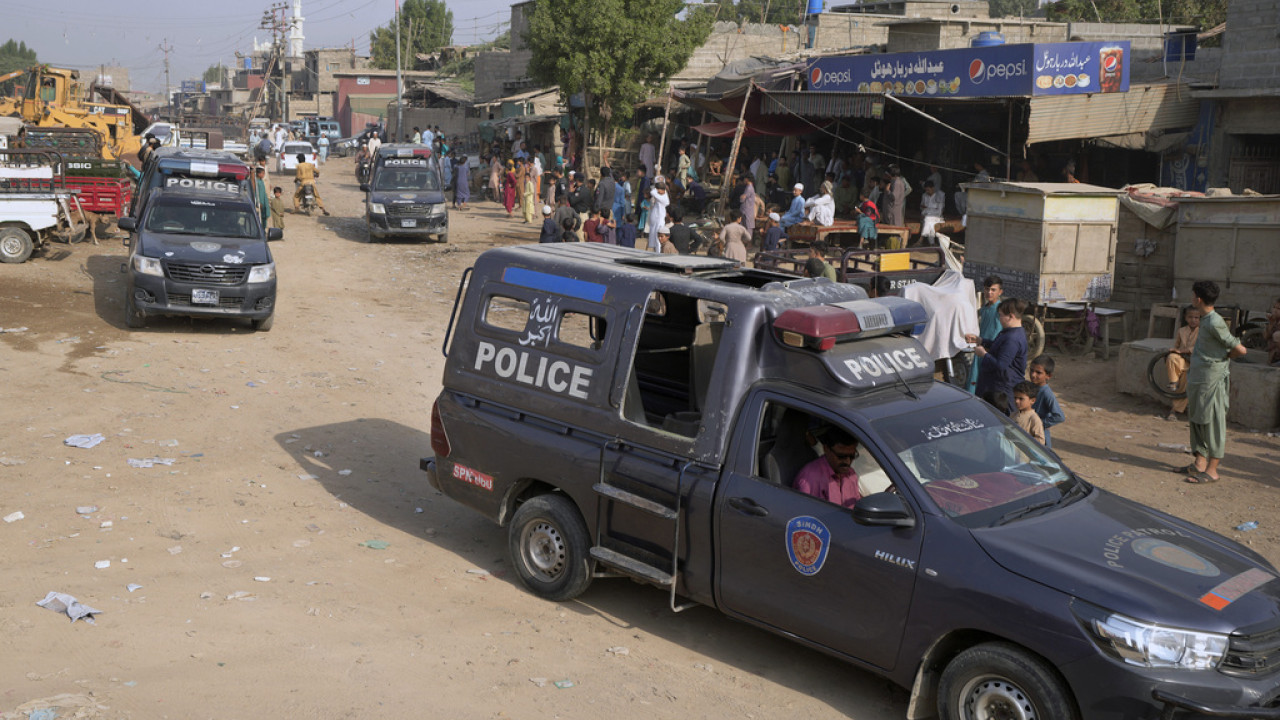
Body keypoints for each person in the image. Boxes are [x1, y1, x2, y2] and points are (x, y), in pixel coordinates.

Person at [1182, 280, 1249, 484]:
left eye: (1193, 295)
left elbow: (1240, 349)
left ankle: (1212, 470)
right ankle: (1199, 463)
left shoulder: (1215, 322)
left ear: (1198, 299)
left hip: (1212, 379)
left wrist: (1222, 359)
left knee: (1213, 421)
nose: (1192, 298)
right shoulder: (1205, 319)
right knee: (1197, 418)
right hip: (1199, 378)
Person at [965, 297, 1028, 416]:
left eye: (1001, 316)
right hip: (996, 384)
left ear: (1010, 316)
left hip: (1003, 388)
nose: (999, 319)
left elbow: (1001, 365)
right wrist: (980, 340)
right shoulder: (1009, 332)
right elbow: (997, 347)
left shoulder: (1012, 339)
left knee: (1003, 418)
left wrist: (984, 354)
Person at [793, 426, 862, 508]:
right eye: (841, 456)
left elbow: (857, 505)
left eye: (852, 456)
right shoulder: (811, 481)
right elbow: (810, 517)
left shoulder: (850, 473)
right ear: (826, 449)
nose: (847, 462)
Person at [968, 275, 1004, 394]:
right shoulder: (985, 308)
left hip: (990, 351)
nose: (989, 292)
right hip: (981, 348)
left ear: (1000, 292)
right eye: (987, 289)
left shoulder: (1001, 310)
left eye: (993, 290)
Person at [1164, 307, 1201, 419]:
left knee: (1186, 380)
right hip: (1182, 361)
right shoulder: (1181, 331)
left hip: (1196, 362)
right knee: (1172, 358)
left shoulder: (1203, 332)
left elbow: (1200, 348)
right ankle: (1173, 382)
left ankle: (1174, 410)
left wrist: (1183, 351)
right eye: (1190, 317)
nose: (1193, 320)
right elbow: (1176, 346)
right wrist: (1173, 351)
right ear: (1185, 318)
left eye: (1196, 317)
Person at [1028, 356, 1065, 448]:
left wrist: (1040, 423)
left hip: (1040, 436)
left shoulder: (1046, 393)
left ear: (1048, 376)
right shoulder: (1032, 387)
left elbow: (1059, 417)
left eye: (1038, 373)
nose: (1033, 375)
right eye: (1031, 370)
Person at [919, 180, 945, 244]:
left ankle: (921, 240)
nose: (927, 192)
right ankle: (932, 243)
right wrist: (925, 212)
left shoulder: (939, 196)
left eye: (928, 190)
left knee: (928, 220)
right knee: (929, 222)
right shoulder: (924, 195)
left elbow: (939, 212)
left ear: (933, 188)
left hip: (937, 217)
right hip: (927, 217)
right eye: (926, 190)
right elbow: (922, 207)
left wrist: (928, 212)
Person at [647, 182, 670, 252]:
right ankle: (656, 251)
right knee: (654, 237)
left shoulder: (664, 198)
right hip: (655, 220)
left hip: (659, 220)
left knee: (658, 238)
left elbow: (652, 192)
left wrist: (656, 190)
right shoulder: (659, 194)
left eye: (658, 189)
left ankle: (658, 252)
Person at [1264, 297, 1280, 366]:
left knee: (1277, 335)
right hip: (1274, 356)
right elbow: (1265, 337)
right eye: (1274, 308)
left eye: (1279, 309)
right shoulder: (1274, 321)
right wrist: (1271, 324)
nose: (1275, 311)